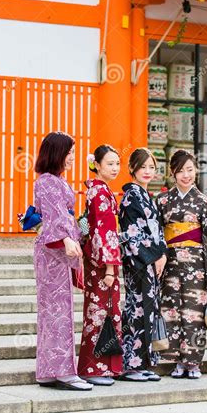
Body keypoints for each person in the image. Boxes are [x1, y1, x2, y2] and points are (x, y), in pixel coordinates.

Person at [156, 150, 207, 379]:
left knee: (194, 313)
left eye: (190, 170)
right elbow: (157, 234)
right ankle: (175, 361)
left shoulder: (203, 201)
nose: (186, 175)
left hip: (197, 263)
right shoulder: (163, 200)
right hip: (170, 262)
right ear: (172, 173)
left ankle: (193, 362)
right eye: (181, 171)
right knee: (171, 311)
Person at [33, 131, 92, 391]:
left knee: (59, 309)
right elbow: (55, 216)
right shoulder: (46, 181)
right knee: (56, 310)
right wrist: (67, 239)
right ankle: (62, 371)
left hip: (58, 250)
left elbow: (65, 214)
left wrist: (78, 234)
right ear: (57, 153)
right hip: (53, 250)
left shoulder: (56, 181)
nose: (72, 158)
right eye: (69, 153)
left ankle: (49, 370)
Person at [118, 148, 168, 382]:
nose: (147, 172)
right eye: (143, 167)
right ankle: (131, 363)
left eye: (152, 167)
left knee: (149, 309)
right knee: (136, 308)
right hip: (138, 262)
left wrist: (163, 254)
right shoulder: (130, 197)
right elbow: (132, 233)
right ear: (132, 169)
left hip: (152, 261)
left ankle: (145, 361)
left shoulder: (148, 196)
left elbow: (158, 231)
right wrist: (154, 256)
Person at [76, 144, 123, 386]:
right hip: (102, 264)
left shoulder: (99, 190)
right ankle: (92, 368)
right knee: (99, 314)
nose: (115, 168)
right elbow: (104, 233)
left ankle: (99, 366)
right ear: (97, 165)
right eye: (110, 164)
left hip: (98, 260)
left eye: (117, 163)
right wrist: (110, 268)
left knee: (104, 313)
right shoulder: (100, 193)